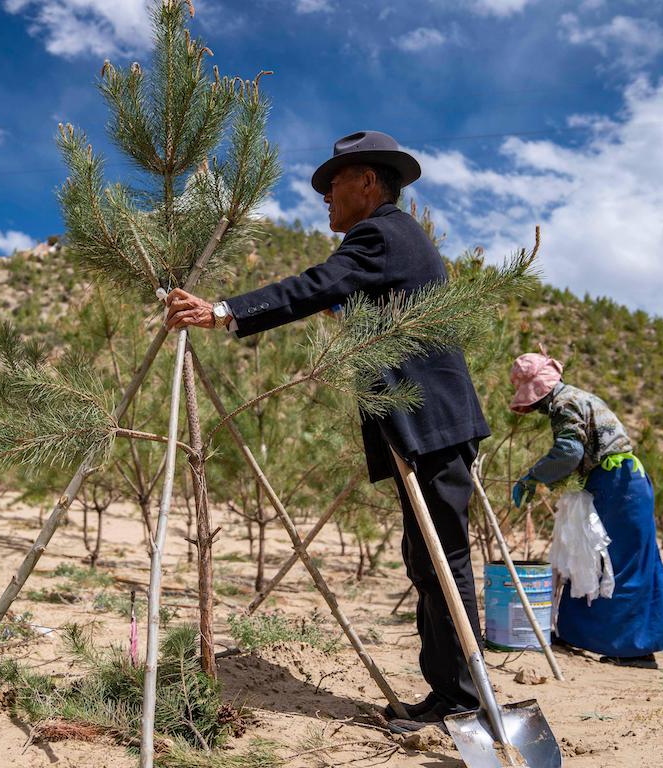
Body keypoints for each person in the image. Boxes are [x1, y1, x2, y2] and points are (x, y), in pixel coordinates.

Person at [165, 131, 491, 731]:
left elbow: (319, 283)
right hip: (429, 423)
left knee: (443, 559)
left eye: (333, 184)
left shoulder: (382, 232)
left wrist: (224, 311)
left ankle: (466, 699)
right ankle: (448, 692)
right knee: (428, 559)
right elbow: (348, 301)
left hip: (430, 423)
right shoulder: (397, 241)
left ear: (368, 183)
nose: (324, 199)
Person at [509, 352, 663, 668]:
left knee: (616, 564)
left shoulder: (563, 405)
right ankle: (582, 636)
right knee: (603, 560)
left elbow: (569, 451)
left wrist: (533, 475)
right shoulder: (577, 396)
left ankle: (635, 650)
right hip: (625, 481)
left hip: (618, 484)